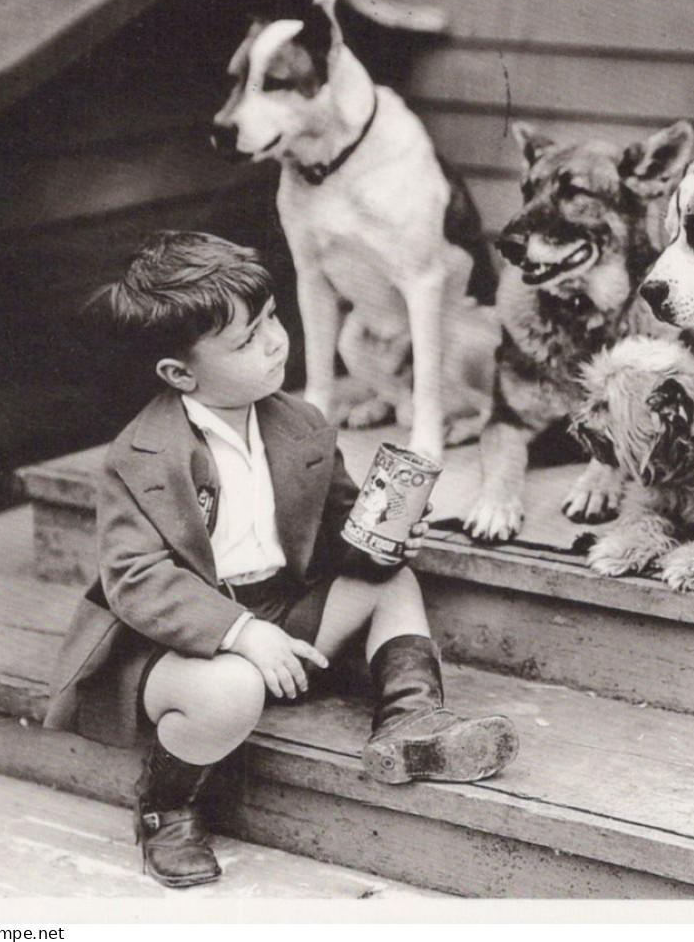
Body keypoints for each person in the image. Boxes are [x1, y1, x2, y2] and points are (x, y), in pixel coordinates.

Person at [44, 231, 517, 889]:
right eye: (245, 340)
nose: (274, 341)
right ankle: (166, 806)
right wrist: (240, 634)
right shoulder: (142, 454)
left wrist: (374, 542)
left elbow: (332, 529)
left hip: (280, 605)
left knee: (392, 581)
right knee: (231, 690)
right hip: (173, 641)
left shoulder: (300, 423)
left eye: (271, 320)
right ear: (181, 374)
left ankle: (409, 719)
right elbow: (137, 579)